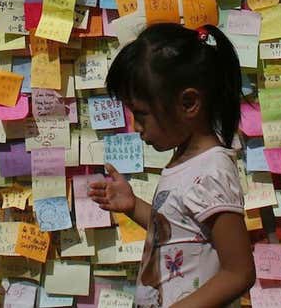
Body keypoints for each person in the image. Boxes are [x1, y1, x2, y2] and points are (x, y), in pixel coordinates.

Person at [88, 22, 256, 308]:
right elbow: (177, 230)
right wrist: (133, 206)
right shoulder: (185, 163)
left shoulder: (211, 171)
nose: (136, 127)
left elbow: (239, 272)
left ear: (189, 103)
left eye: (141, 114)